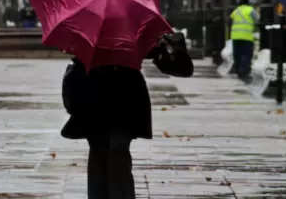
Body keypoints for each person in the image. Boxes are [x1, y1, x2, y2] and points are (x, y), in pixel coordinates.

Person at [61, 34, 192, 199]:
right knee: (113, 153)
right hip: (119, 97)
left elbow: (180, 68)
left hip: (100, 97)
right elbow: (181, 68)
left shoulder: (85, 28)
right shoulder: (136, 28)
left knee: (102, 153)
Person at [229, 0, 259, 80]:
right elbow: (257, 19)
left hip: (235, 36)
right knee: (246, 55)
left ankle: (238, 70)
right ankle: (244, 71)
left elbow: (231, 19)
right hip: (247, 37)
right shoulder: (250, 10)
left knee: (237, 55)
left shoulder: (236, 10)